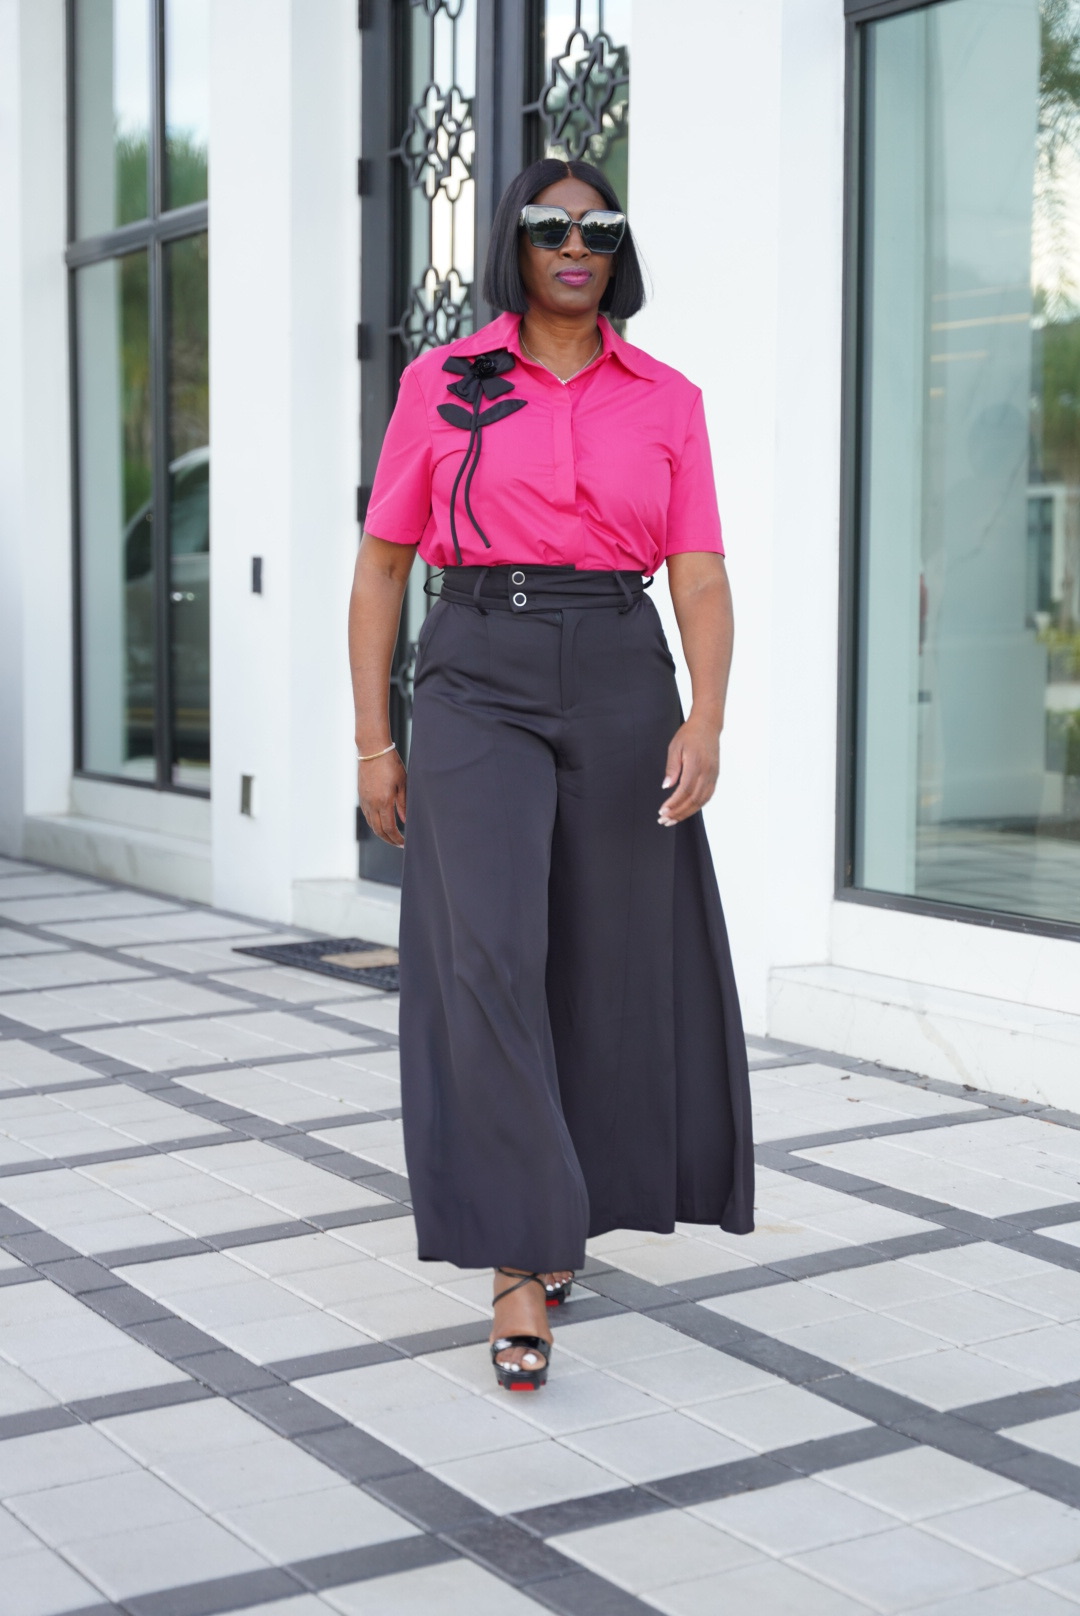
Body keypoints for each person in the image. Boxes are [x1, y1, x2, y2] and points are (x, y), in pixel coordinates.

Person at [348, 157, 754, 1392]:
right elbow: (382, 568)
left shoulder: (668, 399)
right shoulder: (443, 380)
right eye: (550, 227)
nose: (576, 246)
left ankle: (566, 1206)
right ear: (513, 245)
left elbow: (699, 574)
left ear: (617, 249)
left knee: (603, 956)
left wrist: (708, 716)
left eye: (597, 228)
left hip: (622, 671)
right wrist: (374, 740)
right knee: (488, 953)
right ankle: (520, 1258)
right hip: (475, 668)